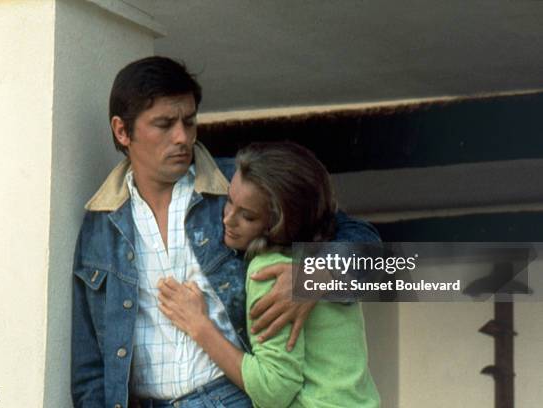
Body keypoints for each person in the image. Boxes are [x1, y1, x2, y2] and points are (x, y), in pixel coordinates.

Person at [71, 56, 381, 408]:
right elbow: (89, 368)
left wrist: (316, 272)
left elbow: (364, 242)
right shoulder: (99, 225)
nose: (182, 137)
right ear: (122, 131)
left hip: (237, 396)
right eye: (164, 124)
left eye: (189, 121)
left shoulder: (238, 187)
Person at [157, 142, 381, 408]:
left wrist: (199, 325)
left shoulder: (272, 273)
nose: (228, 219)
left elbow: (273, 389)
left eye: (248, 216)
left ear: (278, 225)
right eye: (229, 200)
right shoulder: (330, 256)